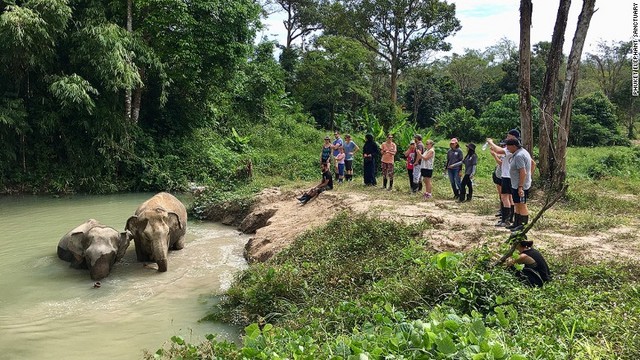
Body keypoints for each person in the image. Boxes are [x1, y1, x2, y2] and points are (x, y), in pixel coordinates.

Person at [487, 129, 522, 227]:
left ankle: (505, 220)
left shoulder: (512, 148)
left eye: (508, 136)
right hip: (510, 175)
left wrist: (491, 142)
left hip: (507, 176)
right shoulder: (516, 148)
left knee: (505, 197)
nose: (507, 138)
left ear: (513, 137)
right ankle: (509, 219)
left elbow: (498, 150)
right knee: (509, 198)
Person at [505, 138, 535, 231]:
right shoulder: (520, 153)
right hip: (516, 184)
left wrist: (521, 187)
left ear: (514, 146)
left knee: (522, 204)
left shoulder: (519, 156)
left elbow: (523, 172)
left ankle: (523, 225)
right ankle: (516, 223)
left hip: (520, 185)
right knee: (517, 203)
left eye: (508, 146)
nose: (507, 148)